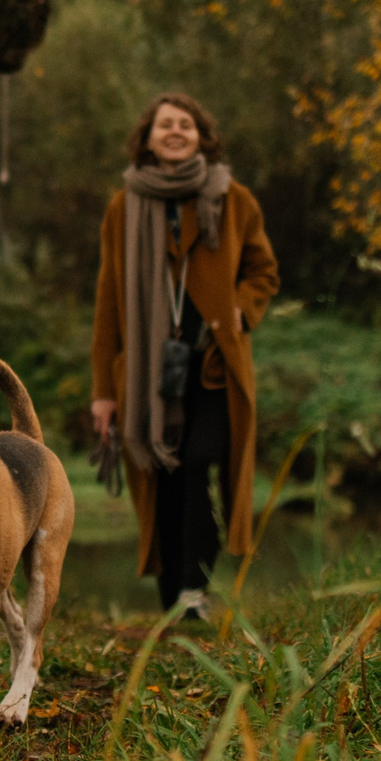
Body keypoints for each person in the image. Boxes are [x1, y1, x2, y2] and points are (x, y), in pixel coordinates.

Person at [90, 93, 280, 620]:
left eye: (186, 125)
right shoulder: (123, 207)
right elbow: (108, 302)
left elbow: (264, 272)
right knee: (164, 474)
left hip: (215, 366)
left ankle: (195, 588)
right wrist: (103, 392)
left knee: (198, 463)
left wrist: (242, 310)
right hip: (148, 371)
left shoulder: (232, 198)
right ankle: (173, 594)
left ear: (202, 136)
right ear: (147, 138)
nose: (176, 131)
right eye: (165, 125)